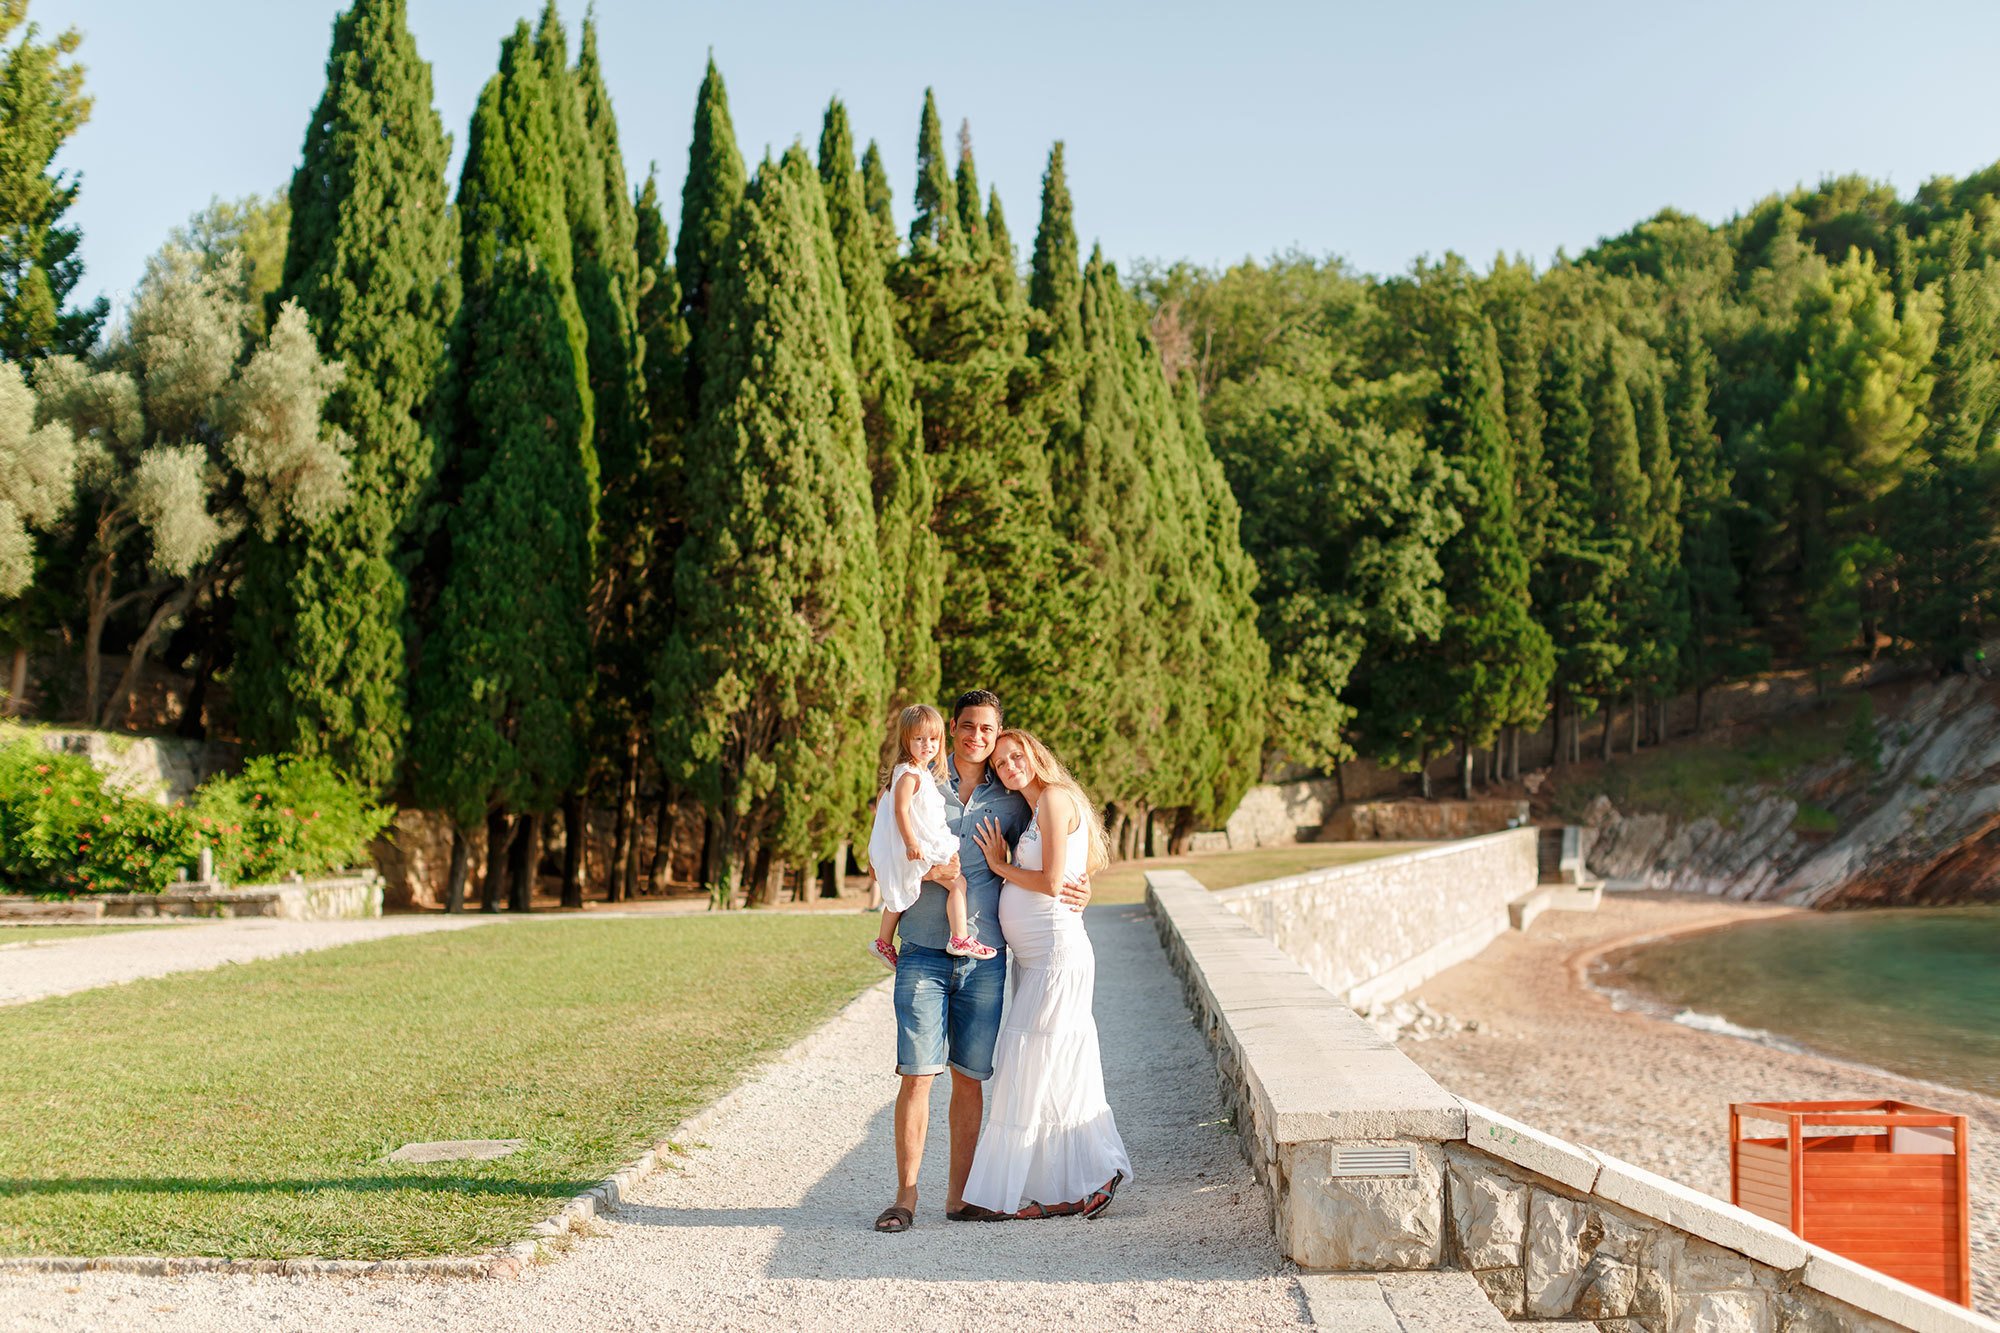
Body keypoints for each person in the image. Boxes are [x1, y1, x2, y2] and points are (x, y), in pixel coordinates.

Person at [873, 690, 1091, 1234]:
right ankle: (904, 1199)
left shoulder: (1014, 801)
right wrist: (928, 875)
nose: (976, 737)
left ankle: (961, 1198)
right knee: (918, 1077)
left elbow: (1053, 850)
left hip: (986, 959)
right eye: (967, 726)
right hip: (923, 951)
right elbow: (883, 855)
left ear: (998, 734)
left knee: (970, 1079)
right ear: (953, 727)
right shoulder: (918, 780)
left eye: (987, 730)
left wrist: (1083, 887)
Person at [960, 728, 1130, 1221]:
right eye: (1001, 763)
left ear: (1035, 755)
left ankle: (1099, 1171)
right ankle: (1066, 1190)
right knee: (1048, 1071)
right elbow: (1074, 869)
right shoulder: (1035, 811)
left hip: (1057, 956)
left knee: (1040, 1065)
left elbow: (1053, 882)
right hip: (1036, 960)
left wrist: (1000, 865)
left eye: (1018, 755)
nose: (1010, 765)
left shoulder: (1054, 798)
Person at [865, 704, 995, 969]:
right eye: (919, 739)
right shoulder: (910, 774)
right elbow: (900, 809)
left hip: (917, 844)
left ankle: (883, 942)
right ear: (906, 740)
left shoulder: (918, 772)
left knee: (901, 888)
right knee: (957, 882)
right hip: (918, 845)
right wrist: (912, 843)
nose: (928, 745)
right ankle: (959, 938)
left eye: (933, 739)